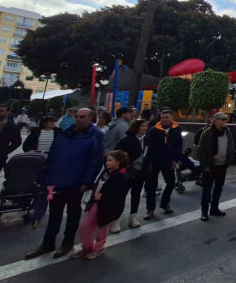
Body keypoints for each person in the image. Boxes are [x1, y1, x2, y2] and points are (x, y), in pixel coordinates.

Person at [25, 108, 105, 260]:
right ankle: (47, 243)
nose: (79, 119)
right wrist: (45, 176)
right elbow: (53, 155)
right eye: (77, 116)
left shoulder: (96, 136)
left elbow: (96, 161)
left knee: (73, 214)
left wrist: (87, 181)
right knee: (55, 213)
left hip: (77, 182)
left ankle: (67, 243)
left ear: (91, 118)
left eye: (83, 117)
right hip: (57, 180)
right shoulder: (64, 133)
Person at [72, 150, 130, 260]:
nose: (107, 162)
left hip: (108, 207)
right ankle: (87, 247)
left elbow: (120, 194)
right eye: (107, 160)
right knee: (86, 227)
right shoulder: (106, 172)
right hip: (97, 203)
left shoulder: (122, 177)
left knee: (102, 229)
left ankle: (98, 248)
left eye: (110, 160)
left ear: (118, 162)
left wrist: (103, 197)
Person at [143, 108, 183, 219]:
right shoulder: (153, 130)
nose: (164, 120)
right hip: (154, 161)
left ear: (171, 118)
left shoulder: (177, 129)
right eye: (162, 118)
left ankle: (165, 203)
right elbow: (147, 147)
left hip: (168, 162)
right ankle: (150, 209)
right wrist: (148, 162)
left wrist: (175, 160)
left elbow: (179, 146)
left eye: (166, 117)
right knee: (151, 186)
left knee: (170, 183)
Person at [196, 112, 234, 221]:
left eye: (225, 119)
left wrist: (229, 159)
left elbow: (230, 145)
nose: (224, 121)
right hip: (210, 166)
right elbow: (200, 150)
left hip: (222, 165)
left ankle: (214, 208)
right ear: (215, 120)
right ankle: (204, 212)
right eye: (222, 119)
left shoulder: (227, 132)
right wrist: (205, 165)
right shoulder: (207, 133)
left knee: (218, 188)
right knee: (207, 189)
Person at [115, 119, 149, 228]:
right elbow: (116, 154)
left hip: (140, 173)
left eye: (146, 126)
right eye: (143, 126)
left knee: (136, 195)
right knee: (121, 195)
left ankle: (133, 217)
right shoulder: (126, 140)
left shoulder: (147, 140)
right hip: (126, 172)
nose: (145, 128)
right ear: (136, 127)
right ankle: (116, 220)